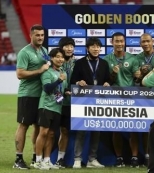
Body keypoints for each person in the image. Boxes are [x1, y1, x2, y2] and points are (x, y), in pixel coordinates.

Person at [13, 24, 50, 169]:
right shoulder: (24, 52)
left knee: (37, 126)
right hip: (27, 94)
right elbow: (20, 74)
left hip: (41, 95)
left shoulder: (44, 51)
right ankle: (18, 159)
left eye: (42, 35)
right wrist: (40, 70)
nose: (40, 37)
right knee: (23, 125)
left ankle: (36, 156)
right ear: (31, 35)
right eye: (37, 35)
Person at [70, 37, 110, 169]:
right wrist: (78, 82)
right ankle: (77, 159)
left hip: (99, 101)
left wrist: (107, 83)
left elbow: (108, 80)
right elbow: (73, 80)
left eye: (98, 46)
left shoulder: (104, 63)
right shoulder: (80, 63)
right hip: (83, 101)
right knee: (81, 130)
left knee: (96, 130)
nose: (96, 49)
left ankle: (92, 159)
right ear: (87, 48)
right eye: (93, 46)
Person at [104, 32, 141, 168]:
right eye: (116, 41)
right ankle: (119, 157)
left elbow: (137, 79)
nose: (119, 44)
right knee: (116, 129)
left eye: (121, 41)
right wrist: (113, 73)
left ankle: (135, 157)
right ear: (112, 42)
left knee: (133, 129)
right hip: (114, 96)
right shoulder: (107, 59)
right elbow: (107, 80)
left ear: (124, 42)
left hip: (131, 96)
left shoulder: (132, 59)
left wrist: (138, 75)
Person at [34, 47, 69, 170]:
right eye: (57, 57)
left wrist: (67, 93)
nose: (60, 59)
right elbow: (47, 88)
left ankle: (47, 160)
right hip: (46, 106)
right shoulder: (47, 72)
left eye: (62, 57)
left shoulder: (63, 73)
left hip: (57, 108)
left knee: (52, 134)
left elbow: (60, 91)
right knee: (43, 132)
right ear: (52, 58)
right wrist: (59, 80)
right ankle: (38, 160)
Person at [135, 33, 154, 166]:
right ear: (140, 44)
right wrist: (138, 75)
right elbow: (135, 78)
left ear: (152, 41)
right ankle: (147, 155)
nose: (145, 44)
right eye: (143, 42)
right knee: (145, 128)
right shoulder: (136, 58)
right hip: (142, 96)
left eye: (147, 41)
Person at [54, 37, 76, 168]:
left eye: (71, 46)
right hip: (56, 103)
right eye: (66, 46)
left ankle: (60, 159)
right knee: (50, 132)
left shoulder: (78, 63)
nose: (69, 48)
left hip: (71, 103)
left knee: (65, 131)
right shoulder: (55, 63)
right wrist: (59, 97)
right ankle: (42, 158)